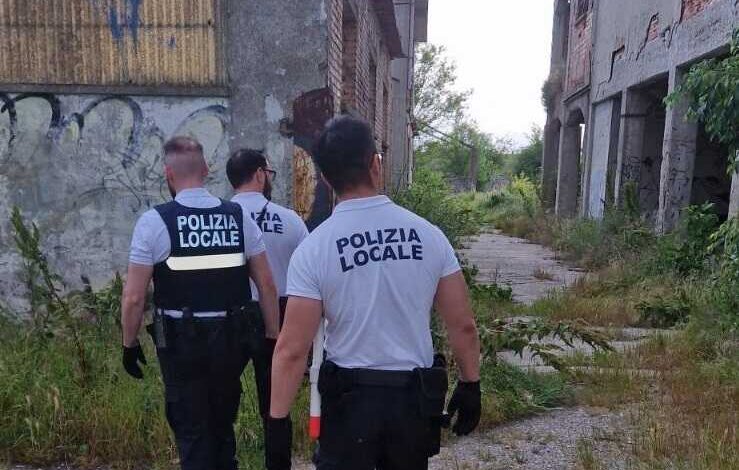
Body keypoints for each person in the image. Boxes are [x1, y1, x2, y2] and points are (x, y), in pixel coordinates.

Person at [266, 117, 482, 470]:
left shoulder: (314, 249)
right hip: (412, 404)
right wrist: (471, 383)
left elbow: (292, 350)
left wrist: (277, 425)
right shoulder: (428, 236)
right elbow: (463, 325)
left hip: (349, 405)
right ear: (375, 164)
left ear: (325, 178)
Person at [120, 136, 281, 470]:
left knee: (193, 433)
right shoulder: (238, 216)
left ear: (168, 173)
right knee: (222, 428)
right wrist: (271, 337)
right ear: (206, 169)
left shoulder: (155, 222)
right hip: (231, 344)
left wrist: (129, 343)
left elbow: (134, 298)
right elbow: (266, 284)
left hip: (182, 347)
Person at [226, 148, 309, 417]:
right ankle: (277, 443)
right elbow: (309, 273)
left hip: (230, 314)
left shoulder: (221, 220)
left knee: (220, 392)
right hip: (280, 313)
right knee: (276, 402)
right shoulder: (291, 221)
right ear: (260, 175)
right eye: (269, 173)